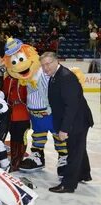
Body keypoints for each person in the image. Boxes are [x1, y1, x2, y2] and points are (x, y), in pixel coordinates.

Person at [41, 52, 94, 193]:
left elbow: (72, 106)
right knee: (78, 148)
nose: (45, 68)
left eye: (48, 64)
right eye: (43, 65)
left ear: (56, 61)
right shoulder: (55, 76)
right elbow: (59, 102)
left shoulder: (65, 77)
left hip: (77, 121)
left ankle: (68, 184)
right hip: (74, 119)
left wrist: (64, 129)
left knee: (73, 151)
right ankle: (84, 174)